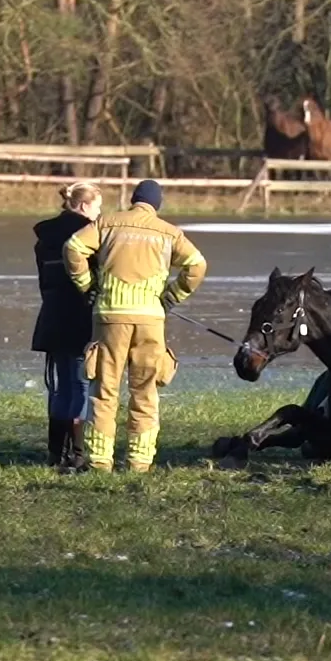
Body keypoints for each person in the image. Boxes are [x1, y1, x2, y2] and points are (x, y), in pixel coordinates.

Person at [64, 179, 206, 473]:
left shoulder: (107, 222)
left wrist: (87, 285)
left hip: (109, 317)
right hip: (150, 320)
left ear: (133, 199)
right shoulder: (169, 232)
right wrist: (171, 297)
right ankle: (140, 462)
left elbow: (74, 247)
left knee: (104, 390)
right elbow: (197, 264)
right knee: (145, 391)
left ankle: (100, 461)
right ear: (157, 204)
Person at [34, 181, 104, 471]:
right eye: (98, 207)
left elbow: (45, 282)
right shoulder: (88, 236)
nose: (100, 214)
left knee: (60, 387)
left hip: (51, 315)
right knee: (81, 384)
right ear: (86, 206)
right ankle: (77, 454)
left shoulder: (44, 238)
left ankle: (55, 453)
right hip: (79, 317)